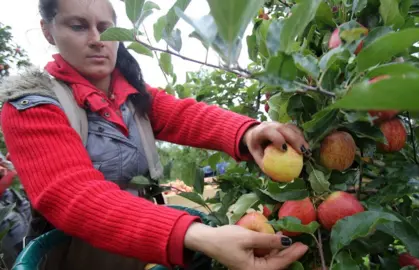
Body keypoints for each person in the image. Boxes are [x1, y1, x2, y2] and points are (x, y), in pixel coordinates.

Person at [0, 0, 311, 269]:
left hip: (142, 254)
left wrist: (249, 132)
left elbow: (186, 116)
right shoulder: (31, 105)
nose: (97, 40)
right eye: (78, 26)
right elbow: (72, 194)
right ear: (47, 30)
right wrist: (196, 235)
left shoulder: (131, 96)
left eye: (105, 27)